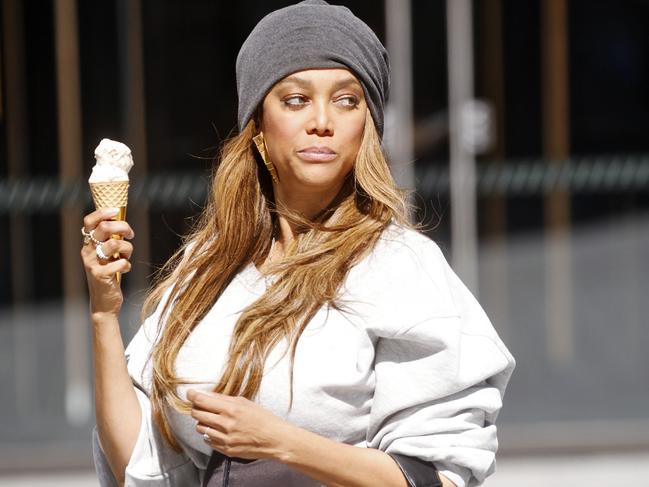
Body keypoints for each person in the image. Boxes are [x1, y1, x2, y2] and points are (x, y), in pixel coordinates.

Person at [81, 1, 515, 486]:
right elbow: (136, 467)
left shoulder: (399, 266)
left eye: (347, 100)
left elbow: (435, 477)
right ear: (259, 128)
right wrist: (103, 310)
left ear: (366, 128)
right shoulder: (207, 268)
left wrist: (282, 443)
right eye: (295, 99)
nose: (322, 121)